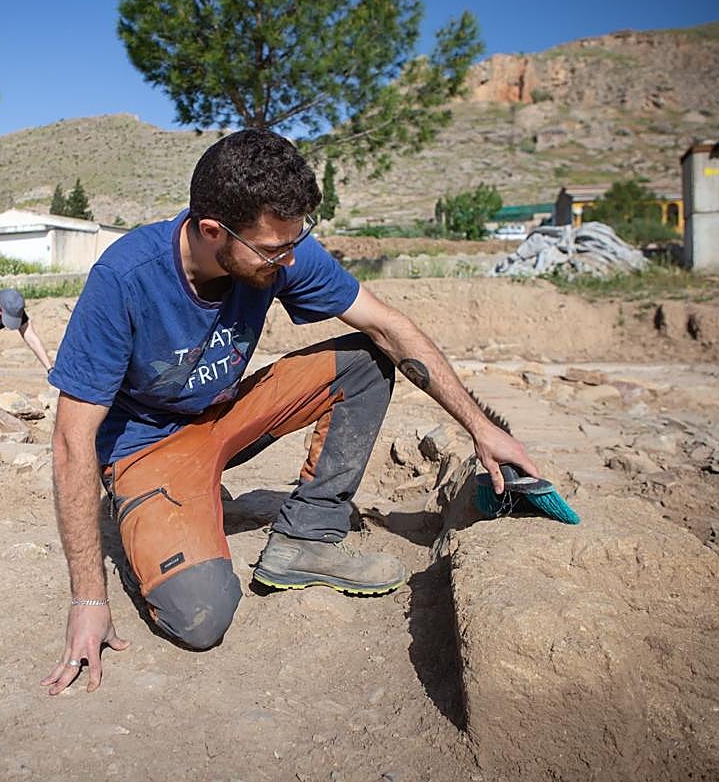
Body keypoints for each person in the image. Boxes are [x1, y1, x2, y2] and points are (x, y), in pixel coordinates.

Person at [42, 130, 540, 695]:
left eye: (293, 242)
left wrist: (482, 428)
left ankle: (307, 537)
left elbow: (389, 326)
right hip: (146, 450)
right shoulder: (125, 279)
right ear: (212, 232)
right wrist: (89, 598)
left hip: (222, 415)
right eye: (273, 249)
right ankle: (170, 506)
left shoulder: (277, 250)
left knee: (366, 358)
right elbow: (70, 441)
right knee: (201, 617)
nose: (288, 259)